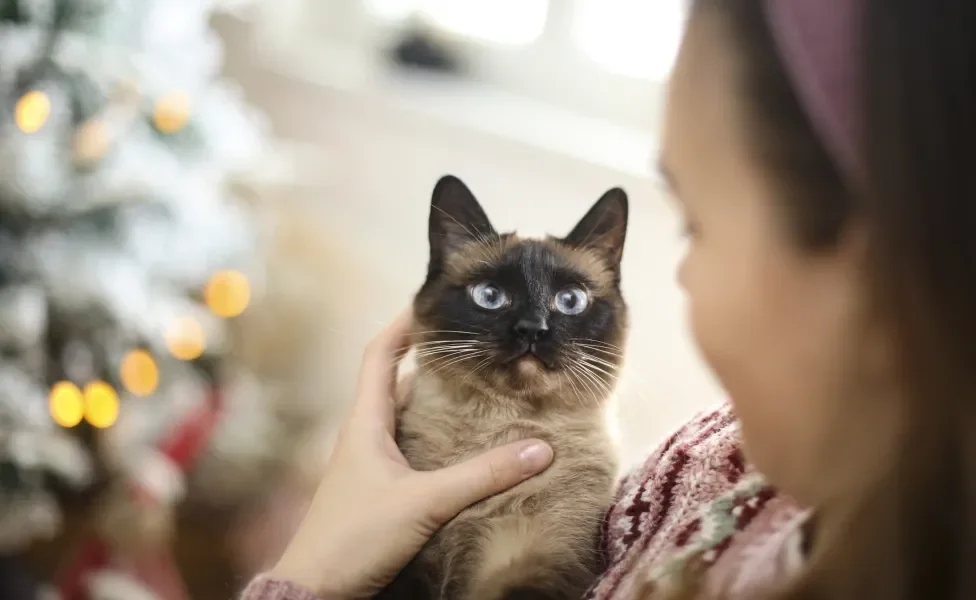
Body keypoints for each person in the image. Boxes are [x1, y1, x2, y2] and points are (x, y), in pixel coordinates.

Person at [241, 0, 976, 598]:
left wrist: (307, 578)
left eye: (697, 223)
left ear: (876, 264)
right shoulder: (701, 469)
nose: (677, 276)